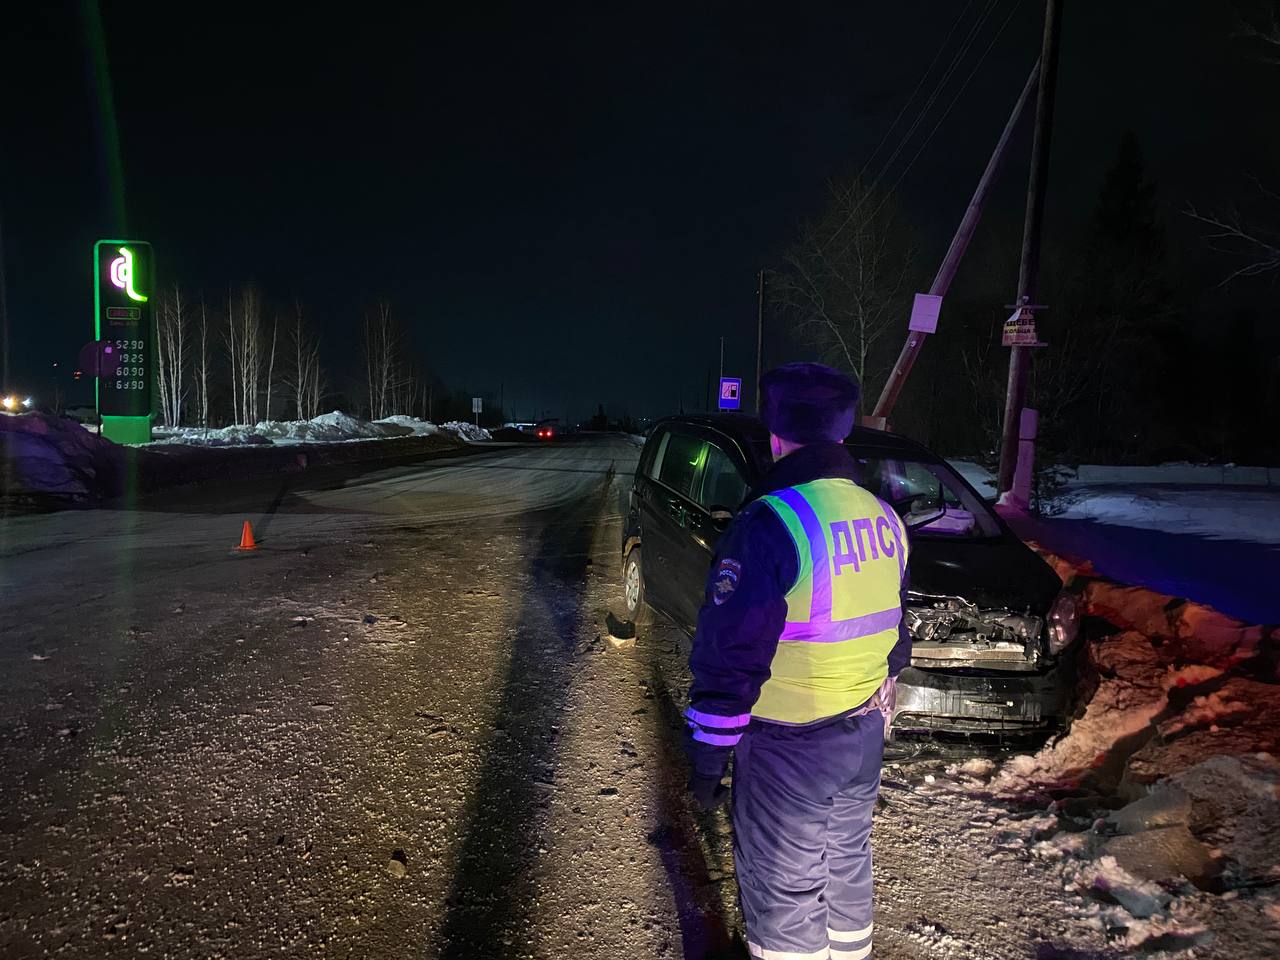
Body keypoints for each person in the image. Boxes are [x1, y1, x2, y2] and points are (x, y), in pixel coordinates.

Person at [684, 362, 911, 960]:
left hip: (789, 745)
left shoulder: (772, 522)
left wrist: (708, 760)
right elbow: (897, 636)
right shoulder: (884, 517)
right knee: (845, 865)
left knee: (783, 888)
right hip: (861, 735)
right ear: (842, 432)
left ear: (776, 433)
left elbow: (730, 658)